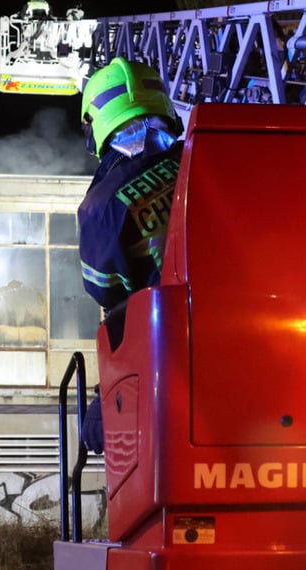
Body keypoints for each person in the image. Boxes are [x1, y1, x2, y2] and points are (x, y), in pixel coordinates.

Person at [76, 57, 184, 454]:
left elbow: (112, 298)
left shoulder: (101, 208)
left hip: (168, 357)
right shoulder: (205, 157)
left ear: (95, 125)